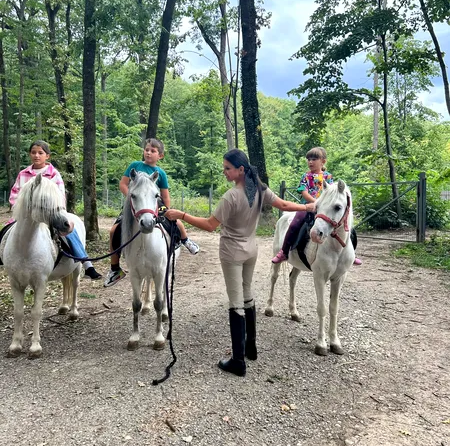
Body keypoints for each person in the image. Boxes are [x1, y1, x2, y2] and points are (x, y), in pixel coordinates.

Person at [165, 148, 316, 377]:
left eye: (228, 168)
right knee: (248, 295)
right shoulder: (259, 189)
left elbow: (210, 225)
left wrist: (182, 215)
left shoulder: (231, 196)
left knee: (235, 302)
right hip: (251, 249)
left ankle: (238, 361)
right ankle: (250, 347)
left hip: (232, 252)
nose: (224, 172)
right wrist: (306, 207)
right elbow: (284, 205)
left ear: (241, 169)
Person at [103, 138, 200, 287]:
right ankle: (115, 269)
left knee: (177, 222)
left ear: (160, 155)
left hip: (154, 204)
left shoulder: (160, 173)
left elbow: (165, 195)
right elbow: (123, 184)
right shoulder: (134, 166)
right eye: (147, 149)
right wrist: (132, 198)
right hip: (134, 204)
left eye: (153, 151)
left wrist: (166, 210)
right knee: (113, 231)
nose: (148, 153)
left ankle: (185, 240)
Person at [5, 140, 102, 279]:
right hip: (26, 216)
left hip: (49, 214)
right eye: (33, 152)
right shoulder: (23, 174)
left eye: (40, 153)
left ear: (47, 156)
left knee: (69, 232)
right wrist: (21, 209)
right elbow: (14, 195)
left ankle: (86, 264)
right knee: (6, 232)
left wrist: (54, 212)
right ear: (29, 154)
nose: (36, 155)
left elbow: (60, 196)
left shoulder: (53, 174)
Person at [271, 146, 362, 265]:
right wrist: (315, 203)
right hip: (307, 207)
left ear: (323, 161)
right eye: (308, 159)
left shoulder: (328, 177)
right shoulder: (306, 176)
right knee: (294, 224)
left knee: (347, 228)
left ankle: (350, 254)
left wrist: (322, 204)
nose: (310, 162)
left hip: (325, 209)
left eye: (314, 159)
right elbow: (303, 191)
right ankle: (284, 251)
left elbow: (331, 192)